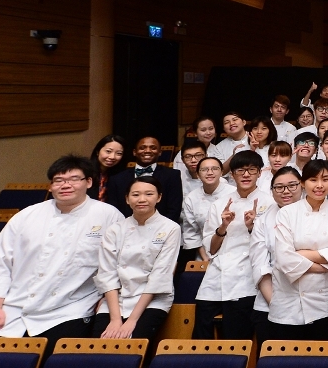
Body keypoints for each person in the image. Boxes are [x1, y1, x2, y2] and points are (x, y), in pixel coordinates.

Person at [0, 155, 123, 352]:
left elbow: (119, 265)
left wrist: (106, 300)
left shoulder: (108, 215)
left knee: (54, 364)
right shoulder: (27, 215)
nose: (65, 185)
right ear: (50, 186)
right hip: (15, 309)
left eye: (74, 179)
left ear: (89, 182)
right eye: (58, 180)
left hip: (70, 309)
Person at [266, 159, 328, 341]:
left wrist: (301, 254)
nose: (319, 185)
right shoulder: (287, 213)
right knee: (286, 364)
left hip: (323, 303)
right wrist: (326, 265)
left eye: (325, 179)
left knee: (320, 362)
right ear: (303, 183)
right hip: (288, 301)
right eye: (313, 180)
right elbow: (284, 259)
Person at [195, 150, 270, 340]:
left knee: (234, 335)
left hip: (246, 277)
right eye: (240, 170)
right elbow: (211, 249)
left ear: (259, 173)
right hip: (216, 275)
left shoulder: (269, 202)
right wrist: (223, 226)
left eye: (251, 170)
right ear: (232, 174)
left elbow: (270, 247)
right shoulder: (220, 204)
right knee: (201, 331)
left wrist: (253, 227)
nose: (246, 175)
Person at [93, 176, 180, 340]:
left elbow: (160, 276)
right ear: (127, 199)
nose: (142, 199)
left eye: (149, 194)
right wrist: (115, 319)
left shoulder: (170, 228)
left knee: (132, 342)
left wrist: (132, 321)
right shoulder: (115, 230)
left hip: (153, 299)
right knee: (101, 343)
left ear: (159, 197)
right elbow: (107, 274)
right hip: (116, 299)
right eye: (135, 195)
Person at [250, 165, 304, 351]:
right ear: (272, 191)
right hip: (270, 302)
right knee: (272, 366)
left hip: (310, 304)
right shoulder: (263, 220)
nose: (285, 191)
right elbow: (260, 264)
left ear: (302, 186)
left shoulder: (315, 214)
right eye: (279, 187)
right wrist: (275, 303)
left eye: (292, 185)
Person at [105, 136, 184, 228]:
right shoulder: (117, 178)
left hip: (161, 230)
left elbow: (174, 209)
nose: (147, 151)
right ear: (134, 152)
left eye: (153, 148)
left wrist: (159, 229)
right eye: (142, 148)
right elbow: (114, 209)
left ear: (160, 152)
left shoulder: (172, 175)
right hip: (126, 230)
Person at [180, 155, 234, 268]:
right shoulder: (191, 198)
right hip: (204, 254)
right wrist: (206, 258)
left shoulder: (234, 193)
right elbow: (192, 234)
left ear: (222, 172)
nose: (210, 172)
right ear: (198, 175)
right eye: (204, 170)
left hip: (233, 251)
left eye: (215, 169)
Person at [87, 134, 128, 202]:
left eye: (119, 153)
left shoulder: (122, 176)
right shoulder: (85, 172)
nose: (112, 157)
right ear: (97, 152)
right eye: (108, 151)